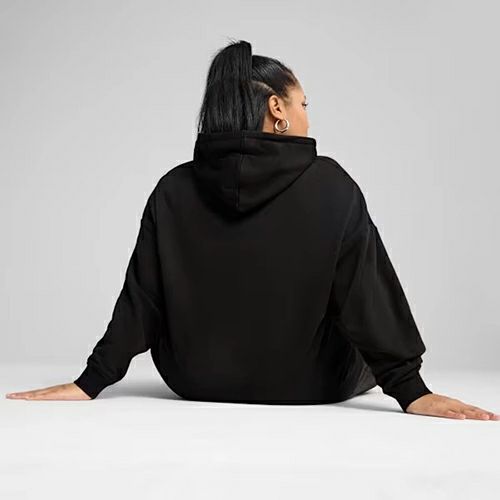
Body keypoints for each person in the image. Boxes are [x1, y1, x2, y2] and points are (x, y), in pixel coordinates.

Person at [5, 39, 498, 421]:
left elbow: (143, 299)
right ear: (277, 109)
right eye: (303, 102)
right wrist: (412, 391)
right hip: (310, 385)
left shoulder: (174, 188)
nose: (307, 114)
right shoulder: (332, 185)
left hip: (195, 381)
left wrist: (91, 381)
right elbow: (364, 296)